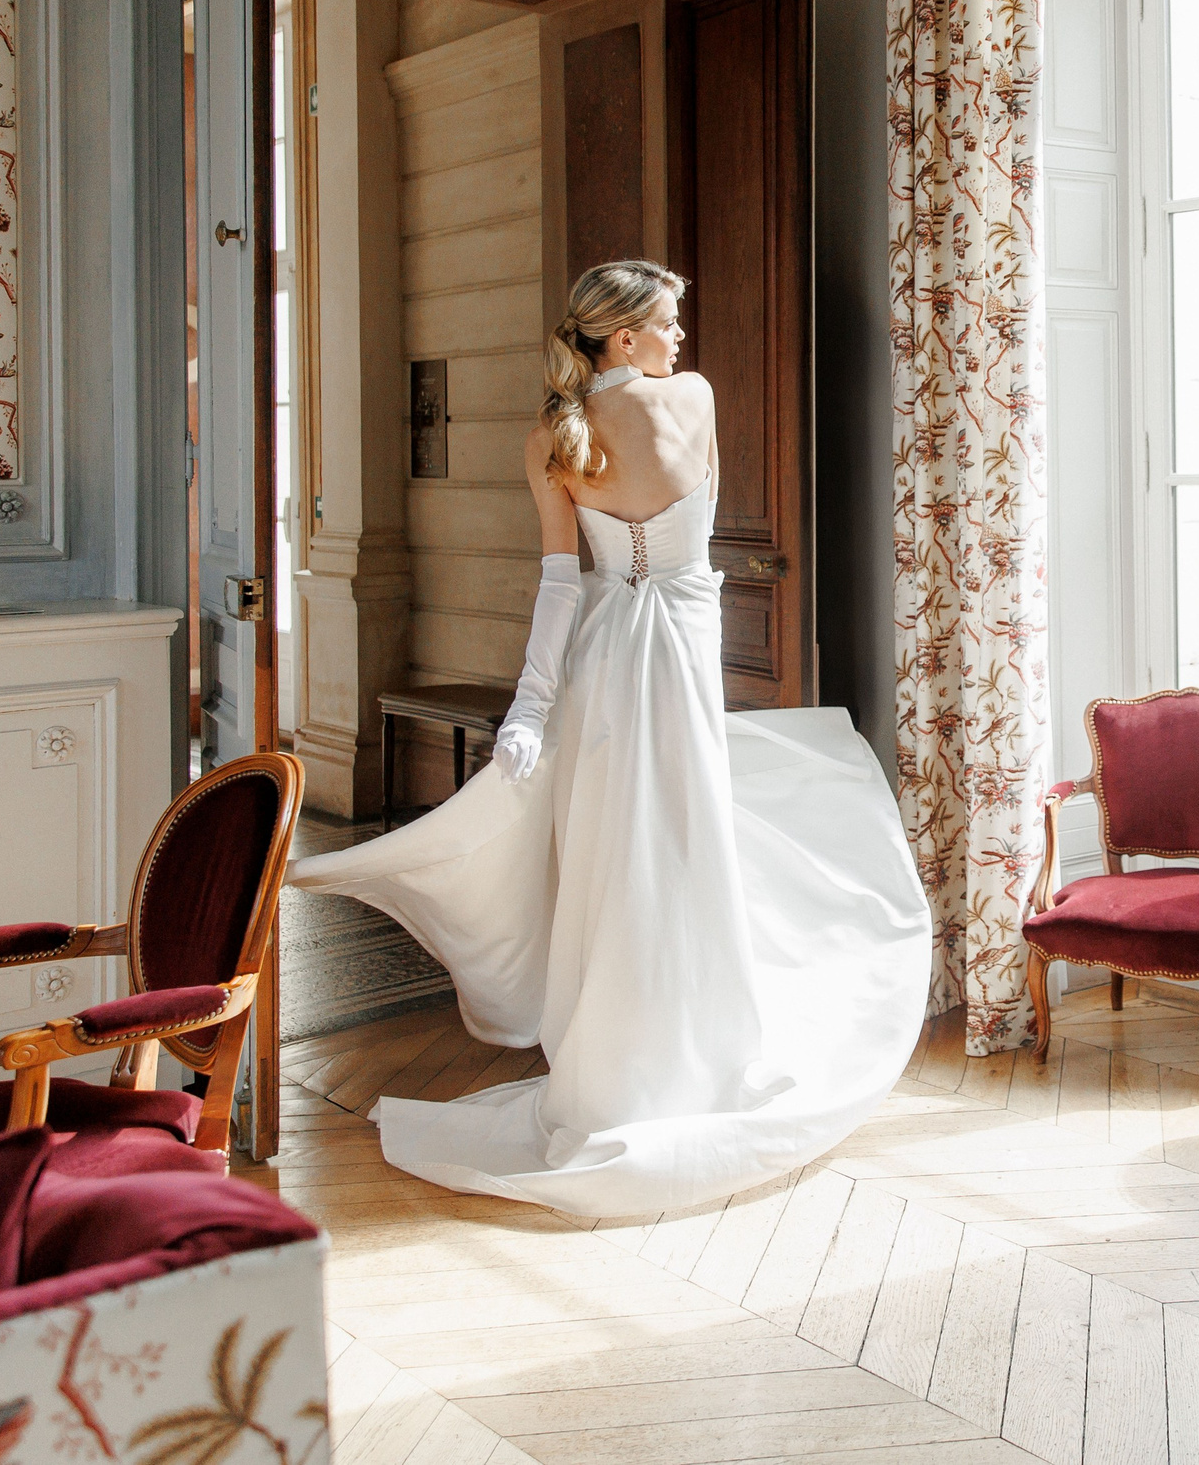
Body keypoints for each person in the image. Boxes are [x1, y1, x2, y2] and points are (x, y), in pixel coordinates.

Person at [288, 261, 929, 1216]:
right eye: (669, 322)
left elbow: (561, 586)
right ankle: (692, 1065)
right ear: (623, 338)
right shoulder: (691, 402)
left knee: (612, 859)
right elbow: (652, 553)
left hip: (605, 667)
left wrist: (533, 708)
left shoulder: (553, 433)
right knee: (676, 850)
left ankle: (618, 1080)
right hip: (675, 661)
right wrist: (528, 712)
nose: (682, 338)